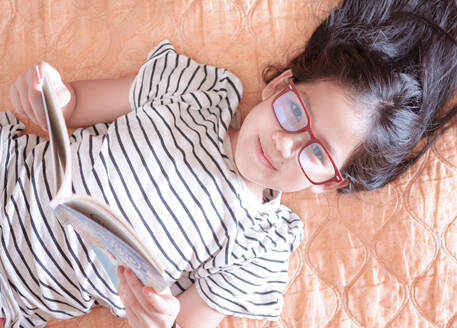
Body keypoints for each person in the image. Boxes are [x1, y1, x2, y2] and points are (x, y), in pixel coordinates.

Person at [2, 0, 457, 327]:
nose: (284, 144)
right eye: (296, 112)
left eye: (316, 154)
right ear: (280, 84)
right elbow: (73, 104)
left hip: (14, 293)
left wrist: (157, 320)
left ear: (327, 184)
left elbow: (184, 323)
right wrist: (48, 91)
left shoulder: (261, 247)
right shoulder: (196, 93)